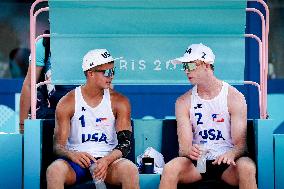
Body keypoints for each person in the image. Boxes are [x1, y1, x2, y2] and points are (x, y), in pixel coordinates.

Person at [159, 43, 257, 189]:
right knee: (170, 168)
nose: (186, 71)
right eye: (184, 66)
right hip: (200, 163)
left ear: (206, 65)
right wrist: (189, 151)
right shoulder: (183, 101)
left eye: (191, 66)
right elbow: (184, 149)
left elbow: (241, 146)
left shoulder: (234, 97)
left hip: (227, 163)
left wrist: (232, 154)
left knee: (247, 167)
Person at [46, 49, 140, 189]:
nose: (111, 76)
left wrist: (107, 160)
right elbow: (58, 146)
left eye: (113, 71)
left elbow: (125, 144)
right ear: (90, 73)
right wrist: (71, 155)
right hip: (77, 162)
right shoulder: (68, 102)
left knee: (130, 170)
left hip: (108, 162)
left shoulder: (120, 101)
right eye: (106, 72)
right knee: (54, 171)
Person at [19, 30, 76, 134]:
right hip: (54, 113)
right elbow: (29, 85)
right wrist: (22, 128)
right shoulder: (44, 44)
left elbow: (105, 85)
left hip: (87, 114)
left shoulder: (89, 43)